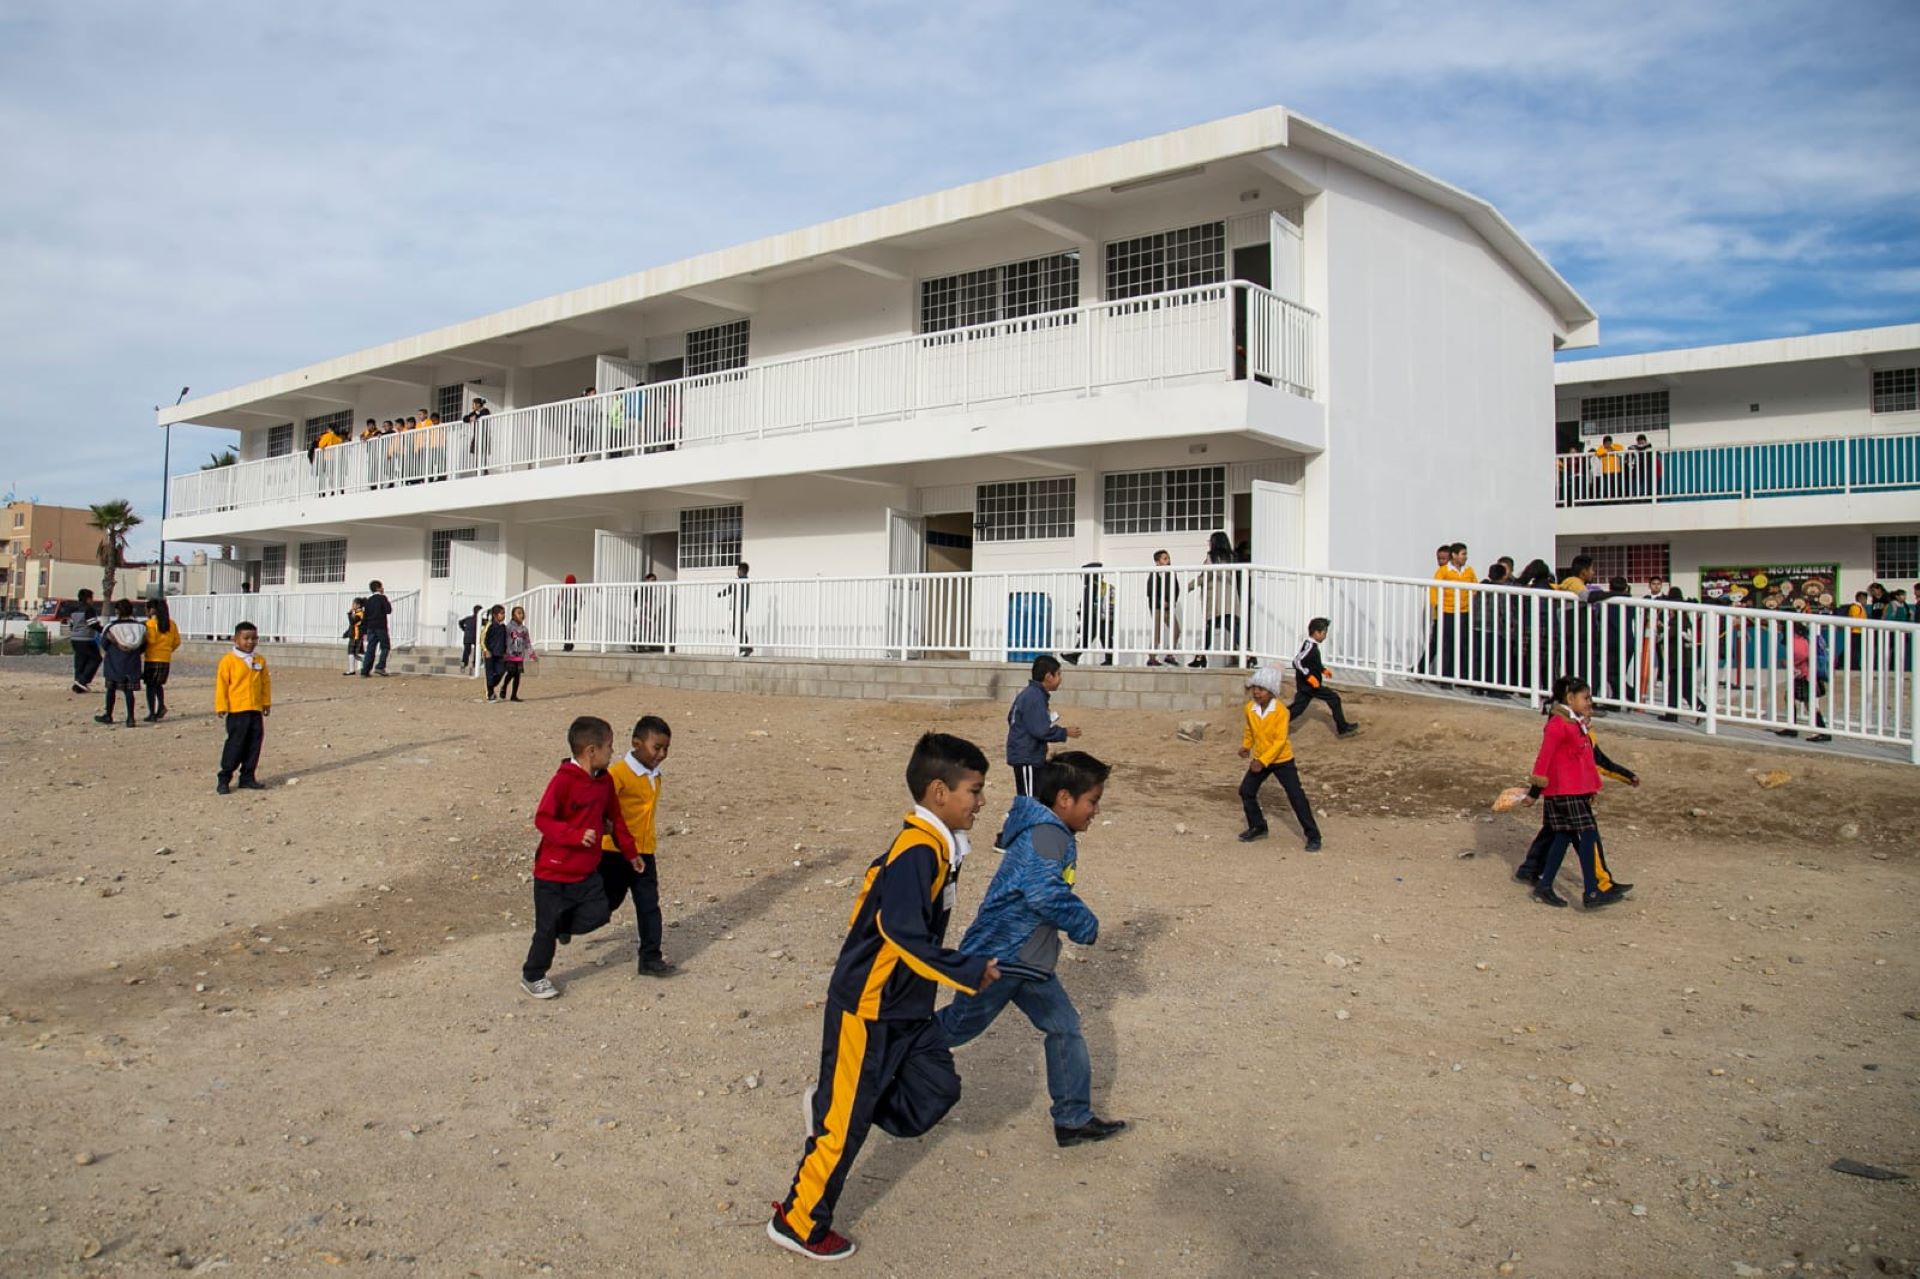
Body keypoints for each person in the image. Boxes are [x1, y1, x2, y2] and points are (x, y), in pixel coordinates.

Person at [769, 732, 1000, 1261]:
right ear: (939, 791)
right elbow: (899, 932)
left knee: (936, 1091)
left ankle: (835, 1102)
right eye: (975, 790)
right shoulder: (918, 850)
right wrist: (965, 969)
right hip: (868, 1008)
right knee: (842, 1131)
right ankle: (798, 1221)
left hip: (907, 1007)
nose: (982, 802)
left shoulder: (938, 846)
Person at [938, 750, 1127, 1148]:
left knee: (1064, 1027)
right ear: (1064, 799)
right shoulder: (1048, 835)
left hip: (1026, 962)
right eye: (1092, 801)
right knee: (955, 1028)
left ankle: (1073, 1119)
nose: (1095, 810)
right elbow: (1043, 892)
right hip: (1001, 959)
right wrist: (1084, 924)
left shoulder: (1049, 832)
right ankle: (879, 1054)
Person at [520, 715, 638, 999]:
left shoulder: (605, 782)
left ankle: (562, 926)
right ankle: (533, 975)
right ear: (591, 751)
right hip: (552, 873)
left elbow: (616, 819)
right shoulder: (562, 781)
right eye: (609, 746)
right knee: (544, 931)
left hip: (585, 872)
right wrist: (574, 834)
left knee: (599, 914)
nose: (613, 752)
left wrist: (631, 853)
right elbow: (544, 819)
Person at [1520, 676, 1634, 910]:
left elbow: (1583, 759)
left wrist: (1590, 787)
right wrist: (1534, 792)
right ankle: (1592, 891)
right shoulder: (1558, 724)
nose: (1589, 702)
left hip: (1572, 789)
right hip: (1564, 791)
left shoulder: (1572, 722)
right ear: (1570, 698)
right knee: (1587, 834)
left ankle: (1545, 885)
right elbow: (1545, 759)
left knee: (1562, 838)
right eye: (1586, 698)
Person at [603, 715, 675, 976]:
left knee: (648, 905)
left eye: (666, 748)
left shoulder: (654, 775)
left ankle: (650, 957)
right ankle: (564, 923)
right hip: (613, 851)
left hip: (644, 851)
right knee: (606, 903)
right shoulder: (617, 774)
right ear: (636, 743)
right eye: (657, 747)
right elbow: (600, 805)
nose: (662, 753)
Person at [1237, 665, 1322, 850]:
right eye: (1254, 689)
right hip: (1260, 759)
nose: (1256, 693)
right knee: (1246, 791)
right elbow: (1250, 730)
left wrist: (1262, 761)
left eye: (1261, 689)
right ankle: (1258, 826)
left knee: (1296, 796)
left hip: (1281, 761)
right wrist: (1246, 746)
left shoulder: (1282, 712)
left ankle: (1313, 836)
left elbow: (1280, 741)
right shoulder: (1250, 708)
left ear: (1271, 692)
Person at [1004, 654, 1080, 802]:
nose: (1060, 678)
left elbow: (1013, 718)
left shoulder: (1032, 694)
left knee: (1035, 798)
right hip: (1027, 757)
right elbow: (1040, 731)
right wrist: (1064, 732)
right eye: (1058, 674)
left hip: (1031, 756)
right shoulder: (1034, 697)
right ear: (1048, 676)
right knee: (1029, 801)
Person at [214, 621, 271, 795]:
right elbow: (222, 684)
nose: (250, 642)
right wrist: (221, 705)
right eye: (246, 638)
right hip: (237, 710)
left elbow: (265, 683)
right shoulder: (228, 661)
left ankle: (247, 776)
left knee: (254, 743)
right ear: (236, 639)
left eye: (254, 638)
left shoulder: (259, 660)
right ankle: (224, 778)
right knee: (235, 744)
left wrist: (266, 703)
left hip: (254, 709)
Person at [1287, 618, 1358, 736]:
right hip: (1310, 685)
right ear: (1316, 633)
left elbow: (1312, 663)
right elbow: (1296, 662)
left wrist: (1322, 669)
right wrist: (1309, 676)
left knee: (1297, 709)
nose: (1325, 636)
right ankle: (1342, 728)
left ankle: (1274, 722)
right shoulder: (1309, 646)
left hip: (1307, 686)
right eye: (1324, 633)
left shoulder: (1312, 646)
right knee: (1334, 698)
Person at [1774, 623, 1834, 743]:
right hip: (1805, 675)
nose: (1778, 628)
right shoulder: (1803, 639)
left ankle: (1821, 731)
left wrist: (1788, 663)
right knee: (1793, 698)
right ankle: (1793, 727)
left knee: (1808, 703)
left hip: (1804, 676)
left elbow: (1801, 656)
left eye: (1780, 626)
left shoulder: (1796, 641)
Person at [94, 600, 147, 728]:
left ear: (117, 611)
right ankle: (130, 718)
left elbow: (104, 644)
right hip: (132, 662)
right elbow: (144, 646)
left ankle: (108, 715)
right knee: (129, 692)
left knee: (111, 689)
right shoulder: (140, 627)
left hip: (114, 662)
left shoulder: (111, 627)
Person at [1062, 564, 1114, 666]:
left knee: (1094, 637)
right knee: (1099, 637)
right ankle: (1075, 656)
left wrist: (1083, 617)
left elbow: (1087, 605)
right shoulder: (1104, 586)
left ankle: (1075, 656)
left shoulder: (1091, 586)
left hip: (1094, 617)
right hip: (1105, 616)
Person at [142, 595, 181, 722]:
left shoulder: (150, 624)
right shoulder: (172, 624)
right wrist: (168, 650)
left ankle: (152, 712)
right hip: (165, 658)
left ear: (152, 610)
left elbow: (151, 640)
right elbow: (177, 642)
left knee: (150, 686)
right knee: (158, 685)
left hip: (152, 658)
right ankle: (161, 706)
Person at [1146, 549, 1180, 666]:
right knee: (1157, 633)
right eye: (1164, 559)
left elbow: (1176, 589)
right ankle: (1152, 658)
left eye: (1168, 558)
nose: (1168, 561)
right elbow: (1150, 591)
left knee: (1176, 630)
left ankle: (1170, 654)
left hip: (1168, 607)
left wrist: (1171, 602)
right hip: (1157, 607)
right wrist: (1160, 602)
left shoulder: (1171, 572)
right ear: (1157, 562)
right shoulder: (1154, 573)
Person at [68, 588, 103, 694]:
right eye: (92, 598)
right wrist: (103, 630)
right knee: (96, 659)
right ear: (88, 599)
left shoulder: (73, 610)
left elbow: (71, 625)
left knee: (80, 661)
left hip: (74, 638)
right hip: (86, 639)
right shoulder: (89, 609)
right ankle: (83, 681)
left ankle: (78, 684)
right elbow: (93, 624)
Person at [359, 581, 392, 677]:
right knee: (385, 647)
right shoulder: (382, 598)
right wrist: (386, 601)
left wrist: (364, 630)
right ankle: (380, 666)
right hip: (380, 626)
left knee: (370, 648)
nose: (383, 589)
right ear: (378, 588)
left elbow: (365, 616)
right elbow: (388, 610)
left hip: (370, 627)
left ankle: (365, 670)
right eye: (381, 587)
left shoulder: (369, 600)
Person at [502, 605, 534, 701]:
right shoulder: (508, 627)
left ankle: (514, 695)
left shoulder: (524, 629)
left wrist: (531, 653)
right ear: (513, 615)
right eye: (518, 613)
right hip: (510, 654)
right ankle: (504, 686)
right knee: (511, 672)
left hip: (519, 655)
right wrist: (503, 652)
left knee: (517, 675)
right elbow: (504, 640)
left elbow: (527, 641)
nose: (521, 615)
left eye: (522, 613)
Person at [720, 562, 752, 657]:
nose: (737, 572)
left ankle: (745, 647)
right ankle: (745, 647)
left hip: (739, 608)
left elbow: (730, 589)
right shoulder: (744, 581)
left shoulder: (740, 581)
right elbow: (731, 588)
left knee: (736, 629)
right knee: (738, 628)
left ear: (741, 571)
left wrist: (721, 593)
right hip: (740, 608)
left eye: (738, 570)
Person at [482, 605, 509, 702]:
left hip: (500, 654)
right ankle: (490, 694)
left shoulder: (503, 627)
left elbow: (505, 641)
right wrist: (486, 650)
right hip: (490, 654)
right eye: (501, 613)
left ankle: (490, 685)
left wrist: (505, 652)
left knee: (501, 671)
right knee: (489, 673)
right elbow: (483, 639)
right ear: (495, 615)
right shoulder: (490, 626)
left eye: (504, 613)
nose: (503, 615)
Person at [342, 596, 366, 675]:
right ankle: (355, 668)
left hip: (356, 636)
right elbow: (351, 625)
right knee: (353, 654)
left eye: (354, 604)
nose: (352, 605)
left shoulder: (360, 613)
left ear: (358, 605)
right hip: (353, 635)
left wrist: (350, 613)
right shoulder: (356, 613)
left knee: (352, 653)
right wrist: (347, 633)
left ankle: (354, 669)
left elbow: (353, 622)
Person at [458, 605, 482, 671]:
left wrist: (464, 629)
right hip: (474, 637)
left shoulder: (468, 618)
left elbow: (460, 622)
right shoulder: (479, 619)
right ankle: (474, 664)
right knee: (476, 651)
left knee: (466, 651)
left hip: (468, 637)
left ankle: (464, 664)